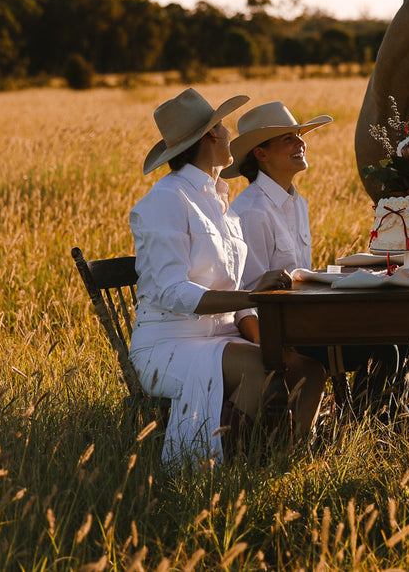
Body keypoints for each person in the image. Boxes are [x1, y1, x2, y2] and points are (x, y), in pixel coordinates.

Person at [128, 88, 326, 465]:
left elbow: (233, 287)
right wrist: (252, 298)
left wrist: (256, 308)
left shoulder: (219, 200)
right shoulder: (167, 198)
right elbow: (173, 292)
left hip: (224, 337)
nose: (228, 131)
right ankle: (225, 467)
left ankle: (291, 459)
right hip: (169, 344)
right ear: (209, 136)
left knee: (309, 370)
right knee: (259, 368)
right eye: (222, 124)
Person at [226, 101, 409, 418]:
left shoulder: (297, 203)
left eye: (300, 135)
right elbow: (247, 296)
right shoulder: (252, 212)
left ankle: (375, 428)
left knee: (399, 334)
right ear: (261, 154)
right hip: (285, 334)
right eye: (289, 138)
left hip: (310, 321)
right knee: (385, 347)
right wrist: (275, 348)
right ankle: (369, 431)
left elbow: (300, 275)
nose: (302, 143)